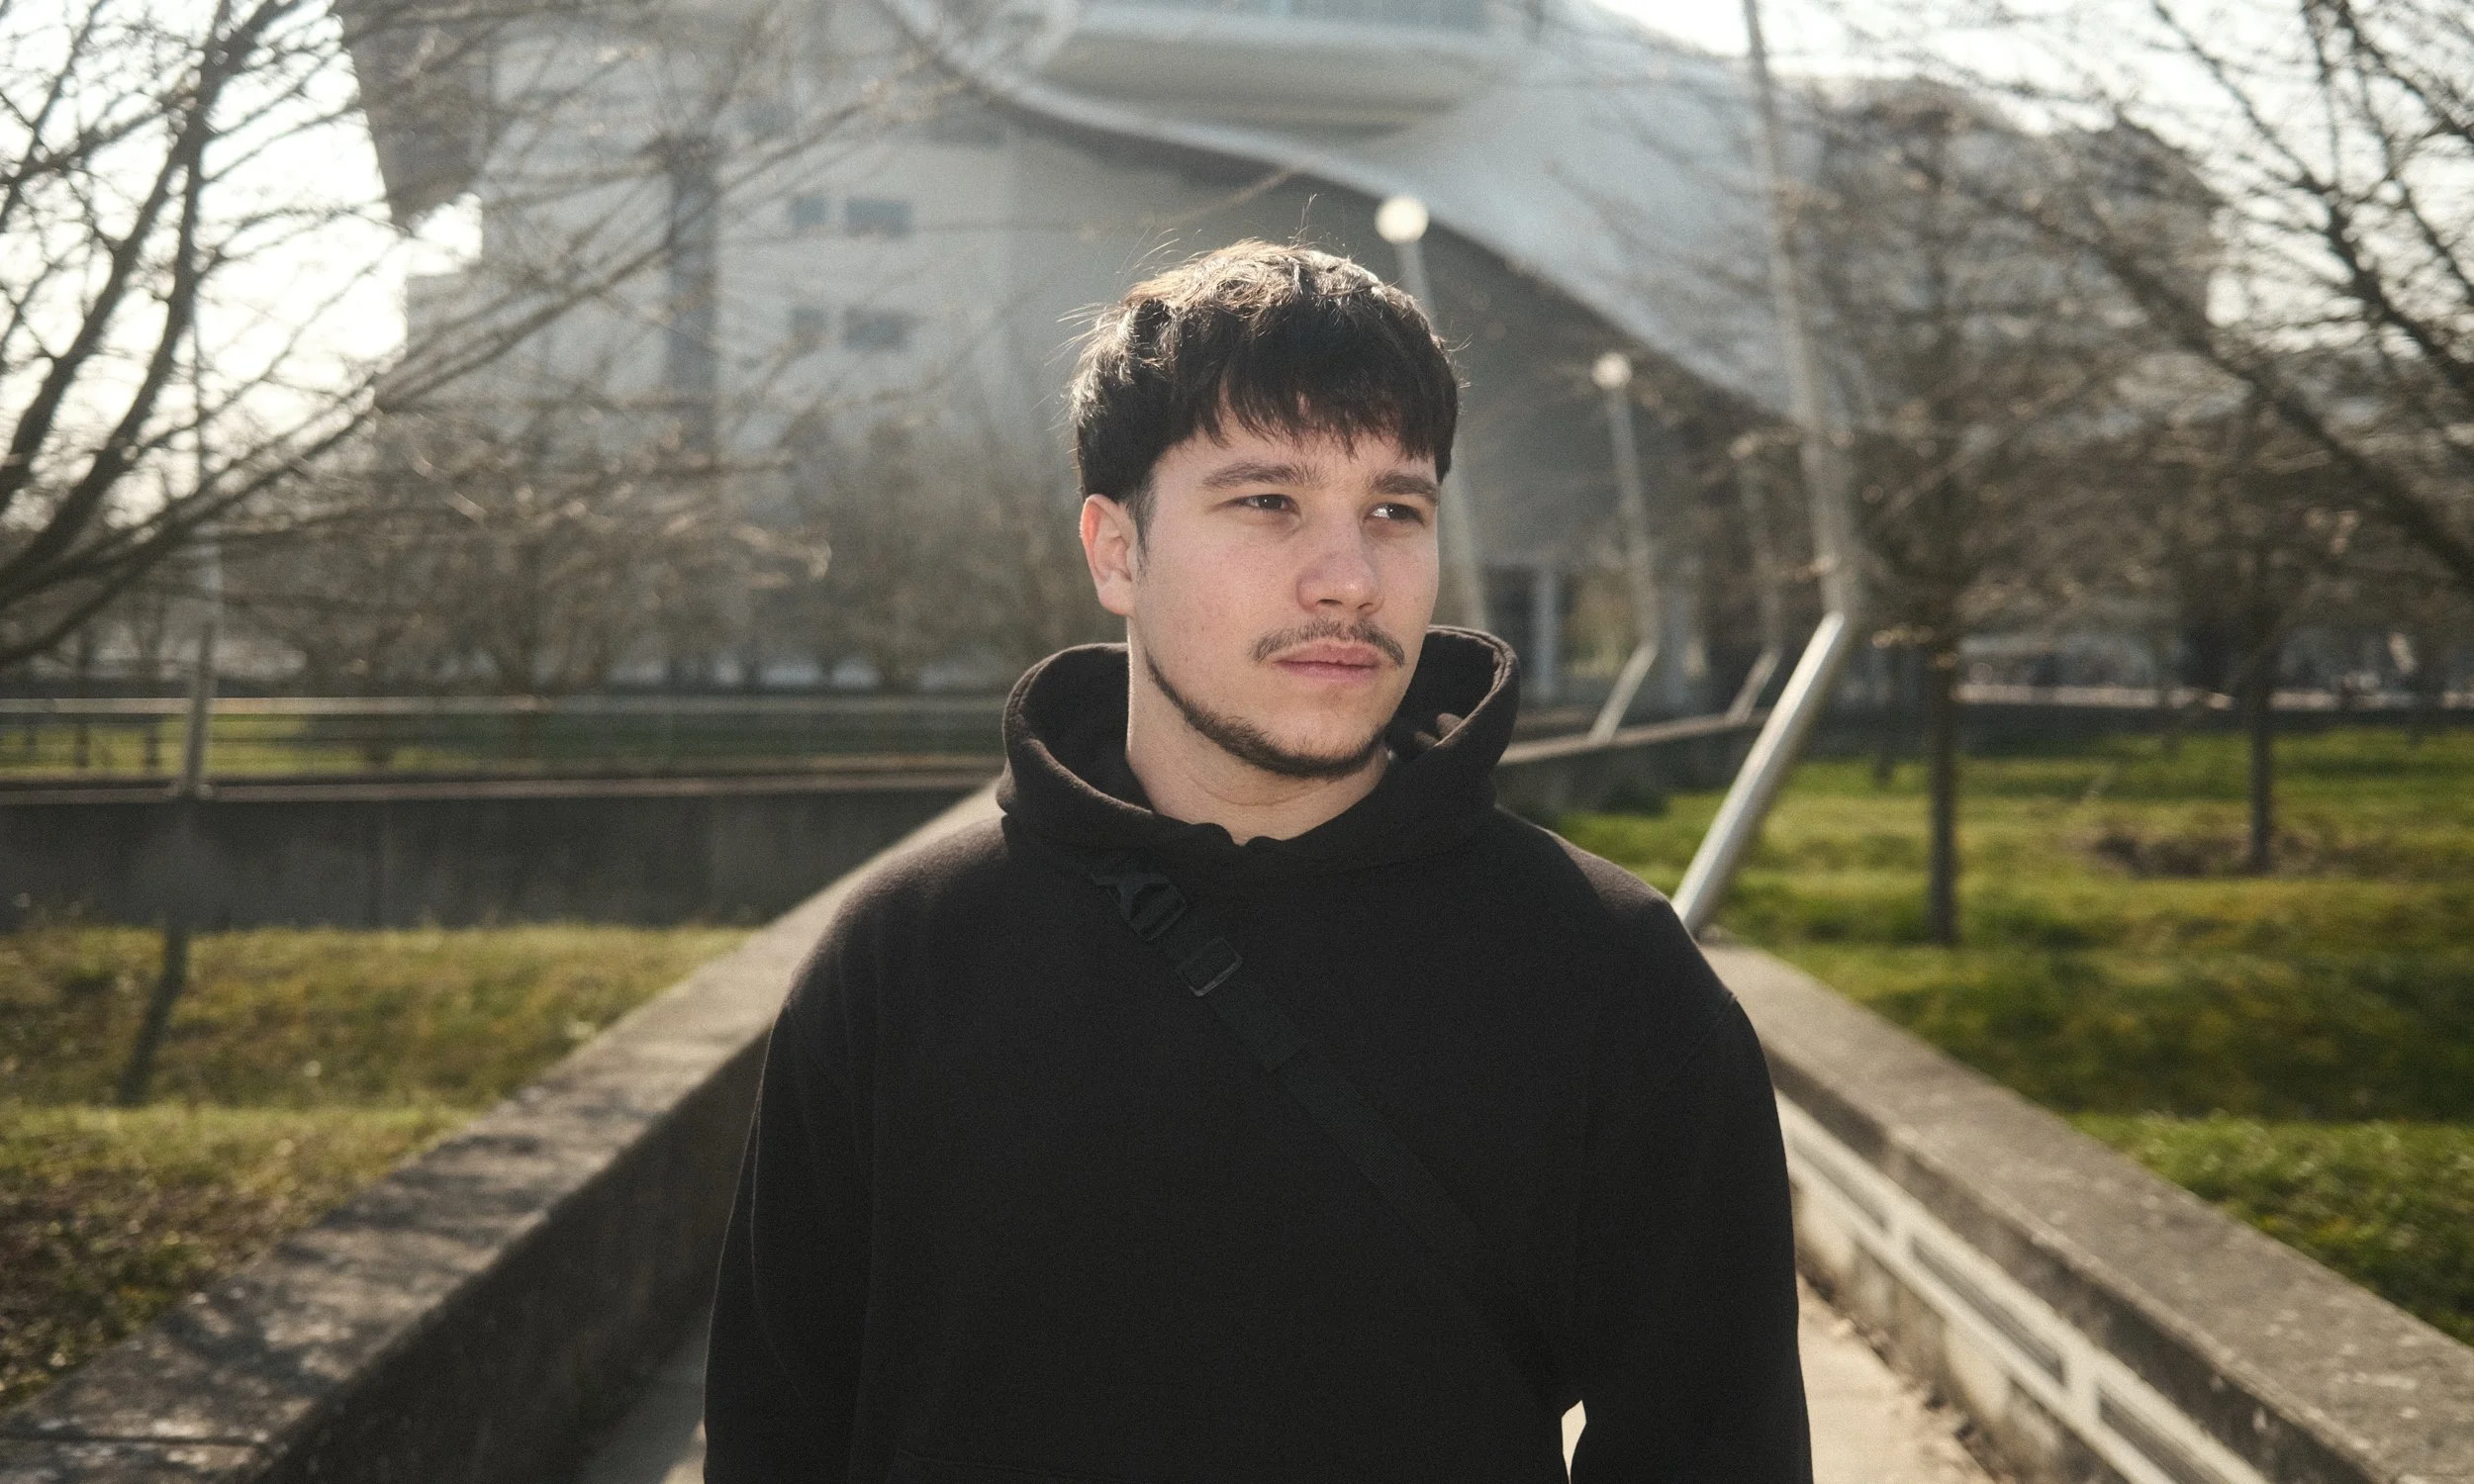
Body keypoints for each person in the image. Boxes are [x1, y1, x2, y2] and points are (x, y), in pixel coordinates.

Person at [703, 240, 1811, 1482]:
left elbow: (1717, 1451)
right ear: (1115, 551)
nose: (1349, 580)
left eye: (1394, 510)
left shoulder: (1608, 974)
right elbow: (776, 1431)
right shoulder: (905, 955)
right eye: (1268, 501)